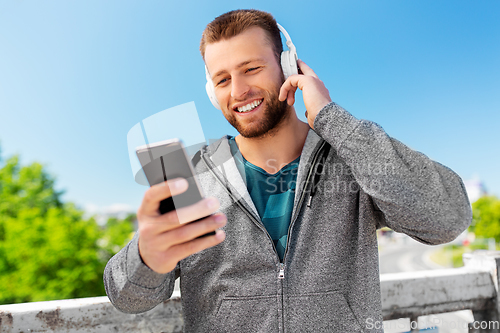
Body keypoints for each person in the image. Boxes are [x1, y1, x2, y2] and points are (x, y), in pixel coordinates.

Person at [104, 9, 472, 332]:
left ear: (289, 66)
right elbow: (126, 298)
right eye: (222, 80)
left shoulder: (352, 156)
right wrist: (146, 257)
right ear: (212, 92)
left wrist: (331, 119)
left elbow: (447, 217)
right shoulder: (185, 173)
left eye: (251, 69)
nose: (239, 90)